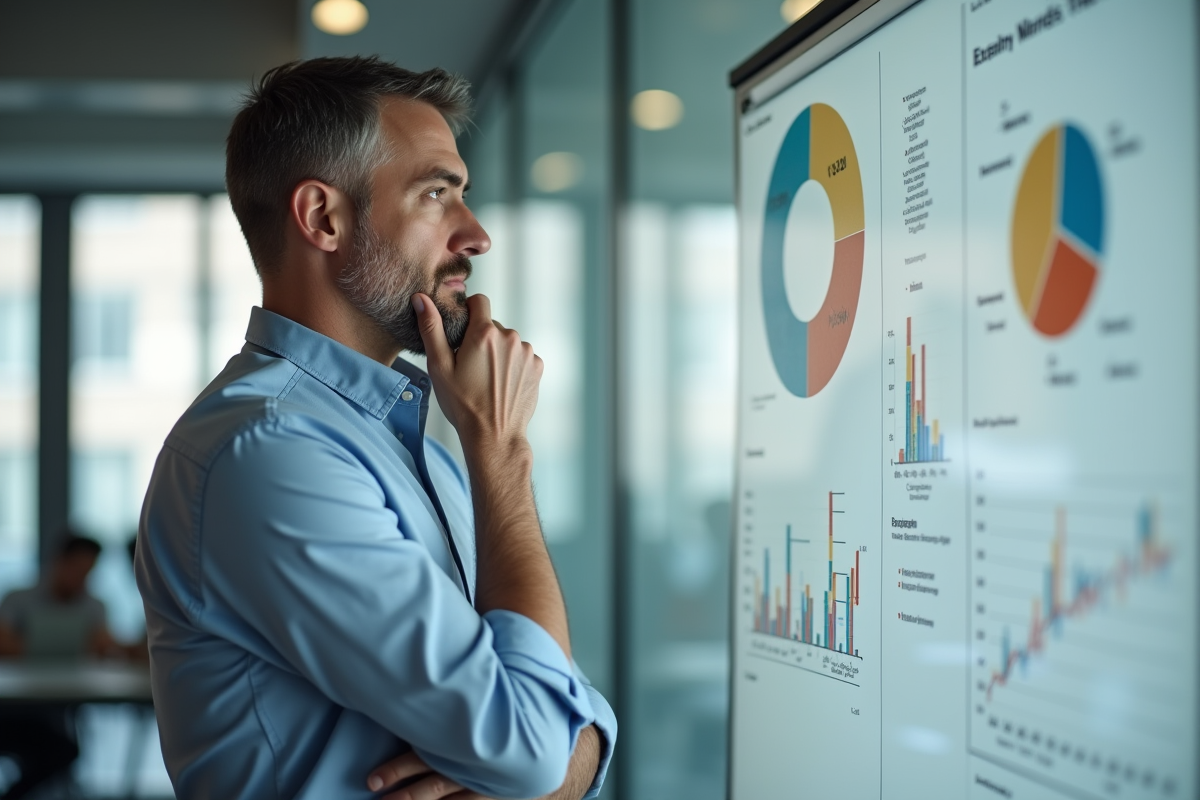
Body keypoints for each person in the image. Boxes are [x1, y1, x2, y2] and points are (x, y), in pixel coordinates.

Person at [136, 56, 616, 800]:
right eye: (436, 194)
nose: (476, 235)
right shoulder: (268, 453)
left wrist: (559, 747)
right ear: (323, 218)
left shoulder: (412, 442)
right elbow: (535, 747)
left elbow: (559, 722)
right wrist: (503, 452)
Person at [0, 533, 113, 799]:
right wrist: (78, 645)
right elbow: (4, 644)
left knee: (63, 748)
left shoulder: (93, 605)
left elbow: (104, 647)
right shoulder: (18, 598)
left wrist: (28, 645)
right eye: (77, 569)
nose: (81, 579)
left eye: (88, 572)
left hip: (61, 707)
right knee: (59, 748)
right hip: (13, 707)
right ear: (58, 562)